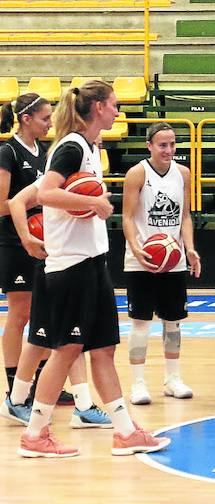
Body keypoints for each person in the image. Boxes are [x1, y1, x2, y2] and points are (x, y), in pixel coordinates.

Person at [18, 80, 168, 457]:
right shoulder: (71, 146)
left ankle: (124, 431)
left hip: (93, 261)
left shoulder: (88, 147)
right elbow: (45, 193)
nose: (119, 111)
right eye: (114, 105)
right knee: (66, 349)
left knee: (102, 349)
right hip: (71, 266)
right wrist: (98, 205)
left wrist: (93, 203)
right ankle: (35, 435)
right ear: (98, 107)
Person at [0, 95, 106, 427]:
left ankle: (34, 395)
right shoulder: (10, 151)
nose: (48, 122)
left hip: (50, 246)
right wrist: (30, 231)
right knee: (28, 320)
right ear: (26, 118)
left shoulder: (49, 154)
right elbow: (9, 202)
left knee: (51, 331)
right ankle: (18, 389)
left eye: (51, 117)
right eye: (43, 117)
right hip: (17, 244)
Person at [123, 123, 201, 405]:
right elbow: (128, 218)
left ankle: (172, 378)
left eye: (172, 144)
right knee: (141, 323)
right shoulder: (137, 173)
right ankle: (138, 383)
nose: (168, 150)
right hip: (142, 260)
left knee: (174, 322)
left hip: (174, 260)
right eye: (162, 145)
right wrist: (136, 248)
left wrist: (190, 249)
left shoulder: (183, 174)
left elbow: (186, 217)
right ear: (149, 146)